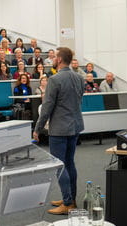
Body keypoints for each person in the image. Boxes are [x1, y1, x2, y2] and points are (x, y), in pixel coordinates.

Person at [33, 47, 84, 215]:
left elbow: (47, 107)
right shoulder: (79, 77)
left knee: (59, 166)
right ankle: (71, 199)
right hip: (75, 126)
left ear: (60, 60)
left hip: (60, 129)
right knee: (70, 163)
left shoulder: (54, 80)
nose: (52, 58)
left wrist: (37, 129)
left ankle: (67, 203)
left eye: (54, 56)